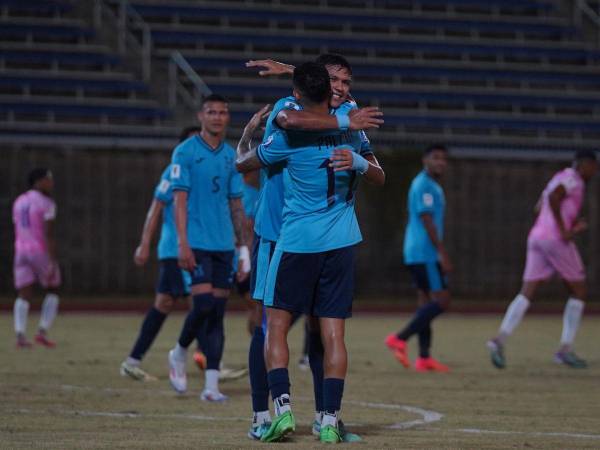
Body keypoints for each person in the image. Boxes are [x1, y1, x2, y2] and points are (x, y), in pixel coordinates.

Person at [237, 62, 385, 443]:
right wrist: (347, 130)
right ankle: (260, 414)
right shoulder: (304, 113)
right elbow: (293, 117)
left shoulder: (345, 116)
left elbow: (247, 161)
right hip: (277, 231)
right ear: (322, 84)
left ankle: (322, 417)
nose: (342, 87)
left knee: (301, 329)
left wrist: (246, 135)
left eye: (347, 81)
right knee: (270, 327)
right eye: (334, 80)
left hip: (299, 235)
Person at [167, 94, 250, 402]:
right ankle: (179, 352)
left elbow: (236, 203)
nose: (217, 117)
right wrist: (182, 241)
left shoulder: (231, 156)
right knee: (202, 305)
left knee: (216, 313)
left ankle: (211, 386)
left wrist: (242, 250)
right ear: (201, 116)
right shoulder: (185, 152)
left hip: (223, 245)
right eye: (211, 112)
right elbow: (180, 200)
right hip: (197, 243)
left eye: (223, 112)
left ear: (228, 118)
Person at [487, 150, 598, 369]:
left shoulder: (558, 176)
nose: (595, 171)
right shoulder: (573, 180)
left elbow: (539, 206)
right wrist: (563, 230)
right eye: (594, 167)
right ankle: (565, 349)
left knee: (526, 292)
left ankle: (499, 340)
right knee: (579, 290)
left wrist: (568, 225)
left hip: (537, 237)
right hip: (555, 240)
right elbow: (554, 197)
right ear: (585, 165)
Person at [120, 127, 201, 382]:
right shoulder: (173, 172)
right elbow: (155, 208)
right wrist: (144, 243)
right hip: (174, 249)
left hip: (200, 248)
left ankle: (207, 358)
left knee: (202, 301)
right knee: (176, 302)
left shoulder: (209, 172)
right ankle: (134, 360)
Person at [385, 145, 451, 372]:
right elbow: (427, 219)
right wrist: (442, 252)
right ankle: (399, 338)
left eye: (444, 159)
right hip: (425, 253)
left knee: (425, 302)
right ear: (425, 160)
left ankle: (424, 358)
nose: (441, 162)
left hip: (415, 251)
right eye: (436, 158)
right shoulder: (424, 185)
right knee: (442, 301)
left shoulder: (428, 184)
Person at [12, 168, 61, 348]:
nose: (51, 183)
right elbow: (49, 233)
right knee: (53, 289)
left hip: (20, 250)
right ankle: (41, 331)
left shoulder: (19, 201)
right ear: (38, 181)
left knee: (24, 293)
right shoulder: (47, 203)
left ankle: (20, 335)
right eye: (49, 179)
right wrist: (52, 260)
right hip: (39, 250)